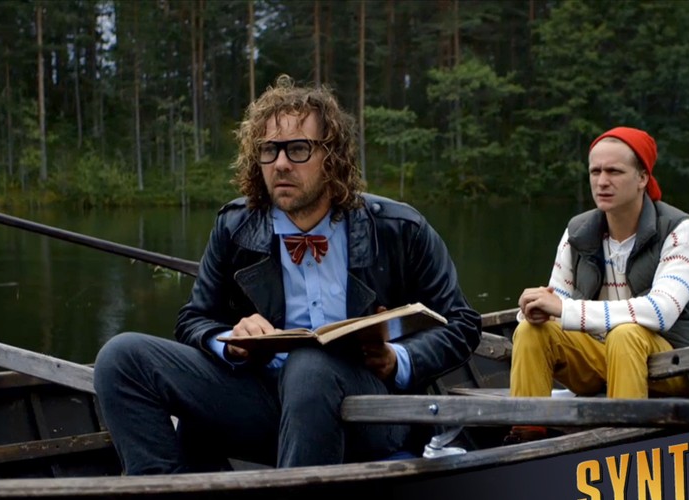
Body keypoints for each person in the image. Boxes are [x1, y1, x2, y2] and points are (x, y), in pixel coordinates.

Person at [93, 74, 482, 473]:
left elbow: (462, 324)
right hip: (265, 403)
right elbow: (194, 319)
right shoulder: (235, 227)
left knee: (309, 366)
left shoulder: (399, 228)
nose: (280, 164)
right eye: (269, 150)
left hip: (370, 411)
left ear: (332, 157)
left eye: (297, 149)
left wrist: (397, 359)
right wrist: (229, 342)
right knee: (121, 358)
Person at [505, 126, 689, 444]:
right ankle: (526, 440)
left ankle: (620, 444)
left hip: (675, 366)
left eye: (614, 171)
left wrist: (565, 309)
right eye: (595, 171)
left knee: (626, 334)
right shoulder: (578, 232)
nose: (602, 181)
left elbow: (661, 312)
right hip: (603, 359)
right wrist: (536, 309)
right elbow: (558, 304)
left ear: (642, 178)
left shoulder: (679, 229)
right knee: (531, 331)